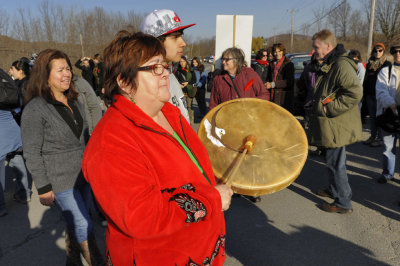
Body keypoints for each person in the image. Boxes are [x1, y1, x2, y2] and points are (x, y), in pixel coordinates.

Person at [82, 31, 232, 265]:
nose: (165, 74)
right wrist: (212, 200)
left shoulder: (169, 113)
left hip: (201, 249)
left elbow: (190, 171)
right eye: (154, 68)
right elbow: (141, 216)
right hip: (157, 257)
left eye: (164, 65)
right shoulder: (111, 139)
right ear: (124, 82)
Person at [21, 49, 104, 265]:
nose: (67, 74)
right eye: (60, 70)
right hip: (60, 181)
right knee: (84, 225)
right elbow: (31, 151)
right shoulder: (35, 109)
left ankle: (72, 261)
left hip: (83, 176)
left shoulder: (75, 101)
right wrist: (43, 187)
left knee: (74, 224)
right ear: (45, 75)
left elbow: (83, 137)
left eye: (68, 68)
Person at [310, 29, 362, 214]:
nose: (313, 50)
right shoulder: (331, 63)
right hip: (331, 125)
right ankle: (334, 190)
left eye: (316, 47)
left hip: (336, 125)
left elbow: (355, 93)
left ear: (328, 46)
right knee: (332, 161)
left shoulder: (340, 65)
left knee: (336, 163)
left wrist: (328, 108)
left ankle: (343, 202)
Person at [140, 9, 193, 123]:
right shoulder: (146, 85)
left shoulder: (169, 74)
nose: (183, 43)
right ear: (156, 42)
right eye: (175, 37)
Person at [0, 67, 31, 217]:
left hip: (1, 135)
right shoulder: (4, 80)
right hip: (12, 130)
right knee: (17, 159)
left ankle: (1, 207)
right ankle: (24, 194)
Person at [375, 42, 400, 184]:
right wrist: (391, 104)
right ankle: (387, 173)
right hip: (389, 113)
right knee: (388, 147)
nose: (398, 54)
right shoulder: (386, 71)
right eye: (395, 51)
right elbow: (380, 91)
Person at [363, 43, 391, 147]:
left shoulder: (387, 64)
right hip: (370, 94)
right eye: (375, 50)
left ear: (383, 52)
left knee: (380, 117)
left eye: (380, 51)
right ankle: (372, 136)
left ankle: (380, 138)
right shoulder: (370, 64)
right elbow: (366, 79)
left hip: (380, 95)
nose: (377, 53)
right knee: (372, 118)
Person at [266, 43, 295, 112]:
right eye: (275, 51)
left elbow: (289, 82)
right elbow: (268, 78)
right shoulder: (271, 64)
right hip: (273, 96)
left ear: (283, 52)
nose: (277, 53)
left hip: (283, 98)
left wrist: (273, 84)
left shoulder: (289, 64)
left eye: (279, 51)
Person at [175, 56, 196, 124]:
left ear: (186, 61)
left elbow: (194, 80)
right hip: (181, 91)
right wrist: (179, 85)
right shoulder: (177, 71)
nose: (182, 63)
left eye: (183, 61)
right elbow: (176, 80)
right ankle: (184, 121)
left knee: (189, 106)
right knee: (182, 106)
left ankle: (191, 120)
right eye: (180, 61)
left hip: (189, 90)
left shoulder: (191, 70)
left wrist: (188, 83)